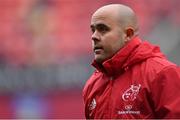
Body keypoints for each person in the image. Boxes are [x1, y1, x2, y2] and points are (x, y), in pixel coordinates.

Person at [82, 4, 180, 119]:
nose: (94, 36)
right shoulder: (92, 85)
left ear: (128, 34)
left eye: (103, 29)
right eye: (93, 30)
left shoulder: (162, 73)